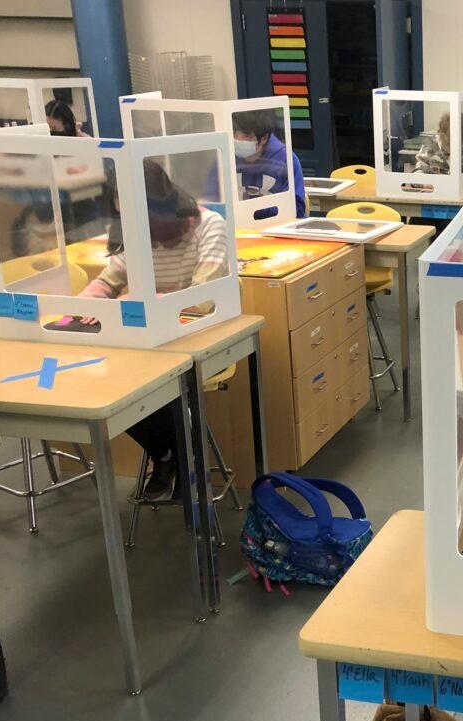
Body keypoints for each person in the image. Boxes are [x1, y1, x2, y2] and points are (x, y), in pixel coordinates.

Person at [78, 160, 230, 500]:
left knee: (146, 384)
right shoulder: (137, 229)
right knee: (107, 388)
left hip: (198, 336)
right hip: (149, 339)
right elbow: (109, 279)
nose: (123, 214)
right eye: (119, 205)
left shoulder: (209, 226)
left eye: (129, 204)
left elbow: (202, 299)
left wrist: (145, 299)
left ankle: (181, 456)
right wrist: (86, 306)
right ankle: (172, 455)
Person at [231, 108, 306, 219]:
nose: (238, 140)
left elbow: (296, 208)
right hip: (240, 228)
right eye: (235, 134)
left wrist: (252, 211)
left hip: (277, 227)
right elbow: (212, 200)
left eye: (246, 136)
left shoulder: (285, 159)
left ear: (264, 138)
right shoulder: (225, 157)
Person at [414, 112, 463, 189]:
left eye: (460, 144)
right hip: (433, 194)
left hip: (462, 196)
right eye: (449, 144)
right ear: (441, 136)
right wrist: (425, 184)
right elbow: (417, 174)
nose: (454, 149)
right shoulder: (430, 145)